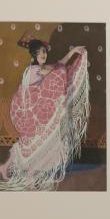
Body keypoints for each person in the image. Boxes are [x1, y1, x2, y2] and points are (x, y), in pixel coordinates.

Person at [0, 33, 89, 190]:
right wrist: (64, 65)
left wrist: (73, 51)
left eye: (44, 52)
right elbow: (57, 71)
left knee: (31, 143)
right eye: (40, 52)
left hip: (34, 112)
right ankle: (26, 175)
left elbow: (58, 65)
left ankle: (9, 168)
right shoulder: (34, 69)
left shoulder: (41, 68)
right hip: (29, 112)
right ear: (34, 54)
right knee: (31, 143)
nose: (44, 55)